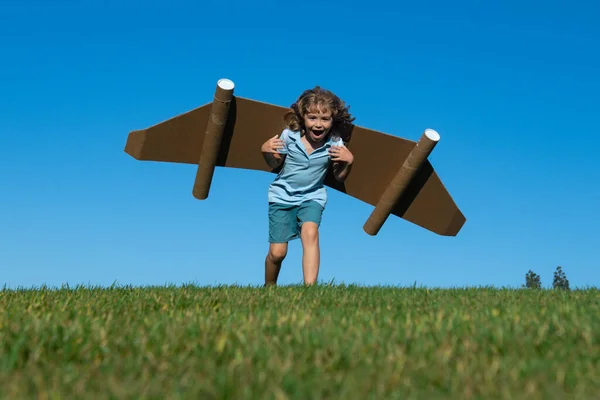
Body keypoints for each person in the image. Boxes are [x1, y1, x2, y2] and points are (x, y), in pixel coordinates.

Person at [260, 86, 355, 286]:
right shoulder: (289, 137)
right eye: (312, 118)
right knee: (277, 253)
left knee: (310, 233)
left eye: (325, 119)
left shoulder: (335, 144)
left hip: (312, 197)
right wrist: (266, 151)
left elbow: (339, 177)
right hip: (281, 196)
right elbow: (275, 164)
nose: (318, 124)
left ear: (332, 120)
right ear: (303, 117)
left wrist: (349, 162)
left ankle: (310, 288)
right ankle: (269, 287)